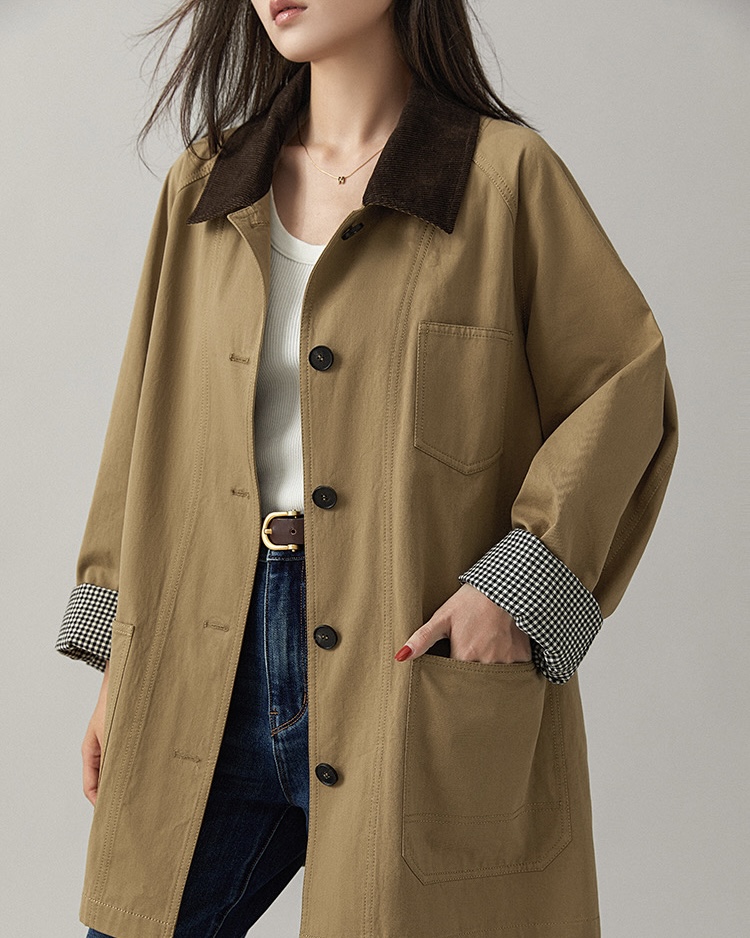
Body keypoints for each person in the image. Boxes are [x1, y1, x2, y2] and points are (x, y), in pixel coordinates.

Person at [55, 1, 678, 936]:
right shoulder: (207, 186)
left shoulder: (504, 181)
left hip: (406, 670)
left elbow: (624, 390)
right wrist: (122, 659)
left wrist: (517, 590)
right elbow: (145, 429)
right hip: (203, 659)